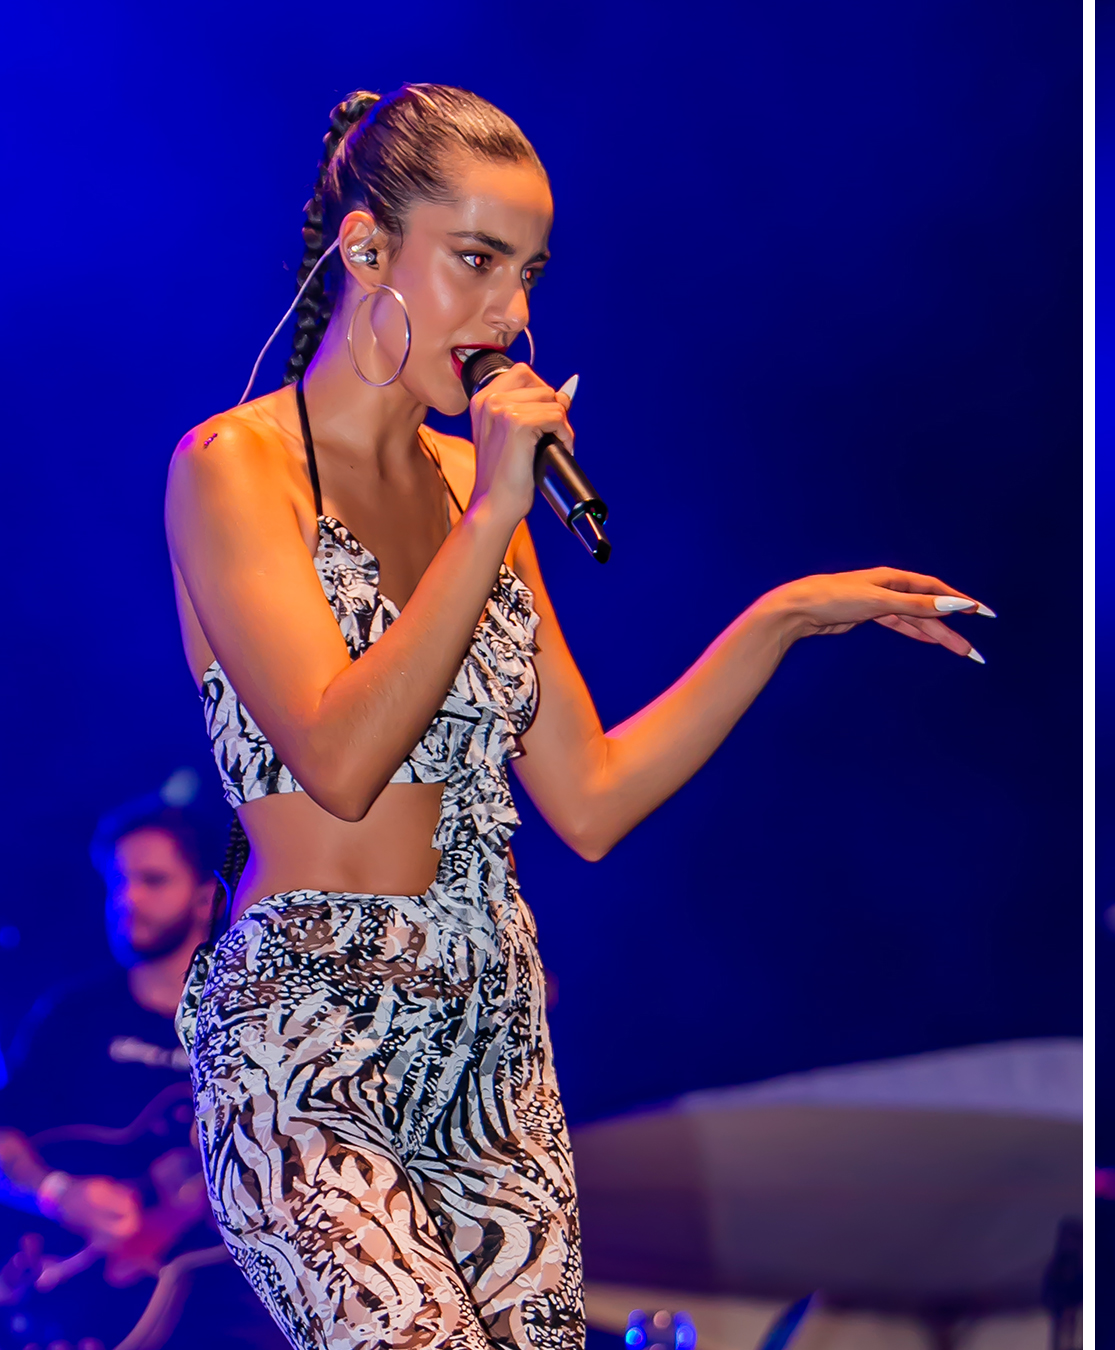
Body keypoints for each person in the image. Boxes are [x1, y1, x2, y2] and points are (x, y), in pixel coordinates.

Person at [164, 85, 992, 1349]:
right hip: (306, 1037)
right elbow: (334, 757)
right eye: (479, 264)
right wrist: (496, 510)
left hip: (489, 1019)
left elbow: (590, 799)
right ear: (368, 251)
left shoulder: (465, 484)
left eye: (531, 274)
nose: (513, 318)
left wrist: (776, 620)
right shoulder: (234, 468)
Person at [0, 799, 285, 1349]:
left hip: (230, 1316)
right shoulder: (72, 1016)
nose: (128, 900)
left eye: (153, 880)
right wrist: (58, 1192)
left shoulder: (255, 1032)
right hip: (74, 1304)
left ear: (207, 896)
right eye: (119, 883)